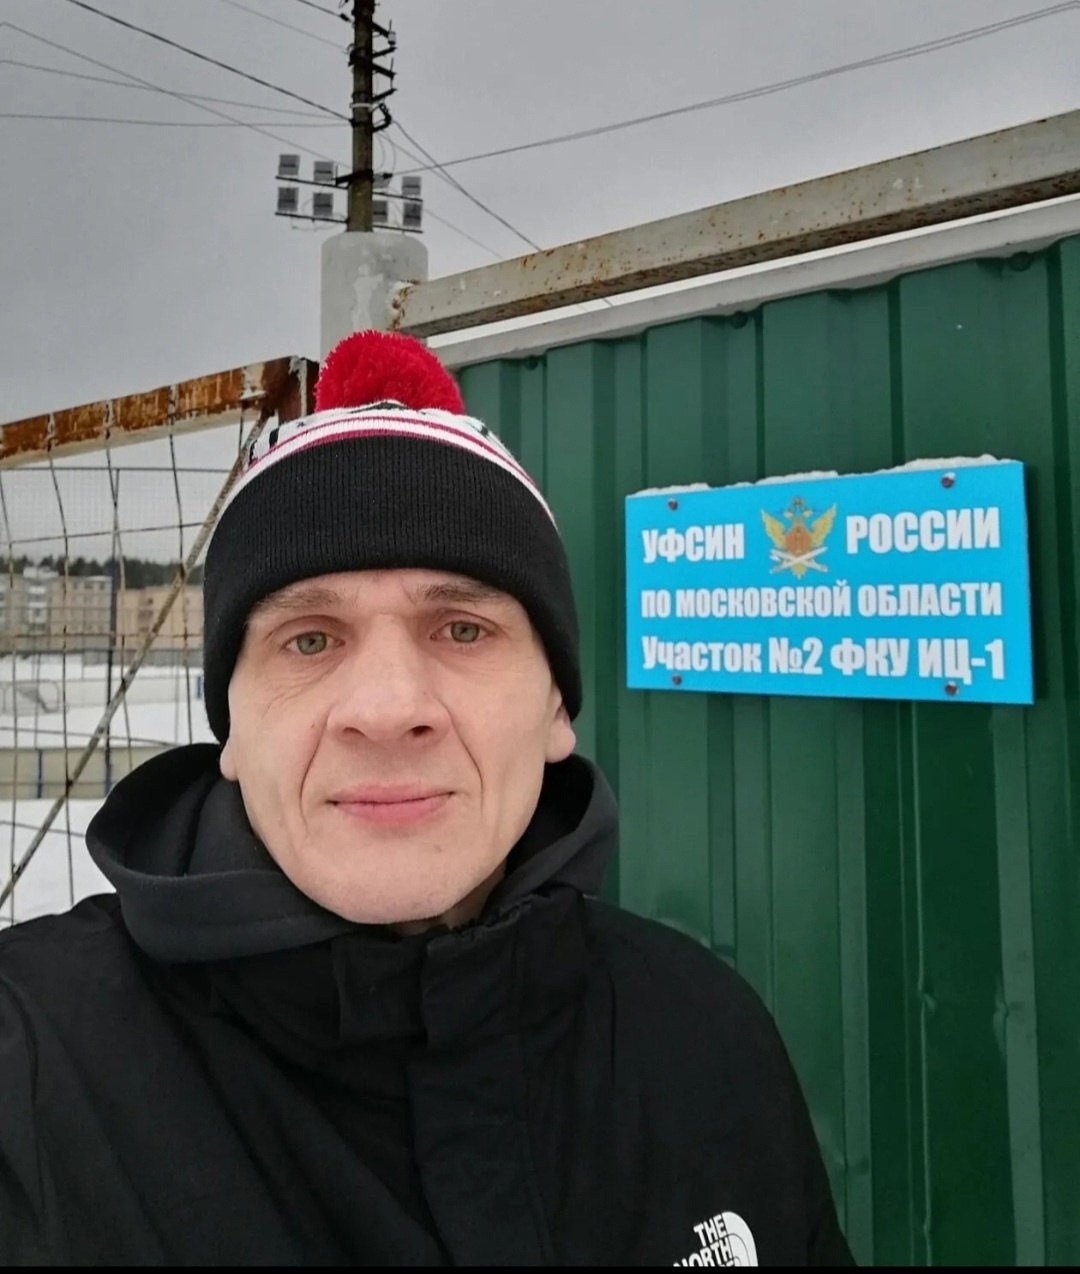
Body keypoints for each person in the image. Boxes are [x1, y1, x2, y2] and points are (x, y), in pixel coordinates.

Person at [0, 330, 853, 1266]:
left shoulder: (706, 1033)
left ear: (556, 705)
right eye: (310, 640)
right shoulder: (29, 1068)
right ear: (232, 728)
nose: (387, 709)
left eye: (462, 629)